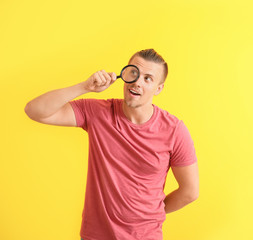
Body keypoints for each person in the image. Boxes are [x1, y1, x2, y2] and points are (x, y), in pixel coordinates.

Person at [24, 49, 199, 240]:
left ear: (159, 88)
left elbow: (190, 192)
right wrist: (84, 87)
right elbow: (35, 111)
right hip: (95, 236)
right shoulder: (97, 112)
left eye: (148, 78)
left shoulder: (174, 130)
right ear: (125, 74)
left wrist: (151, 213)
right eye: (134, 72)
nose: (137, 82)